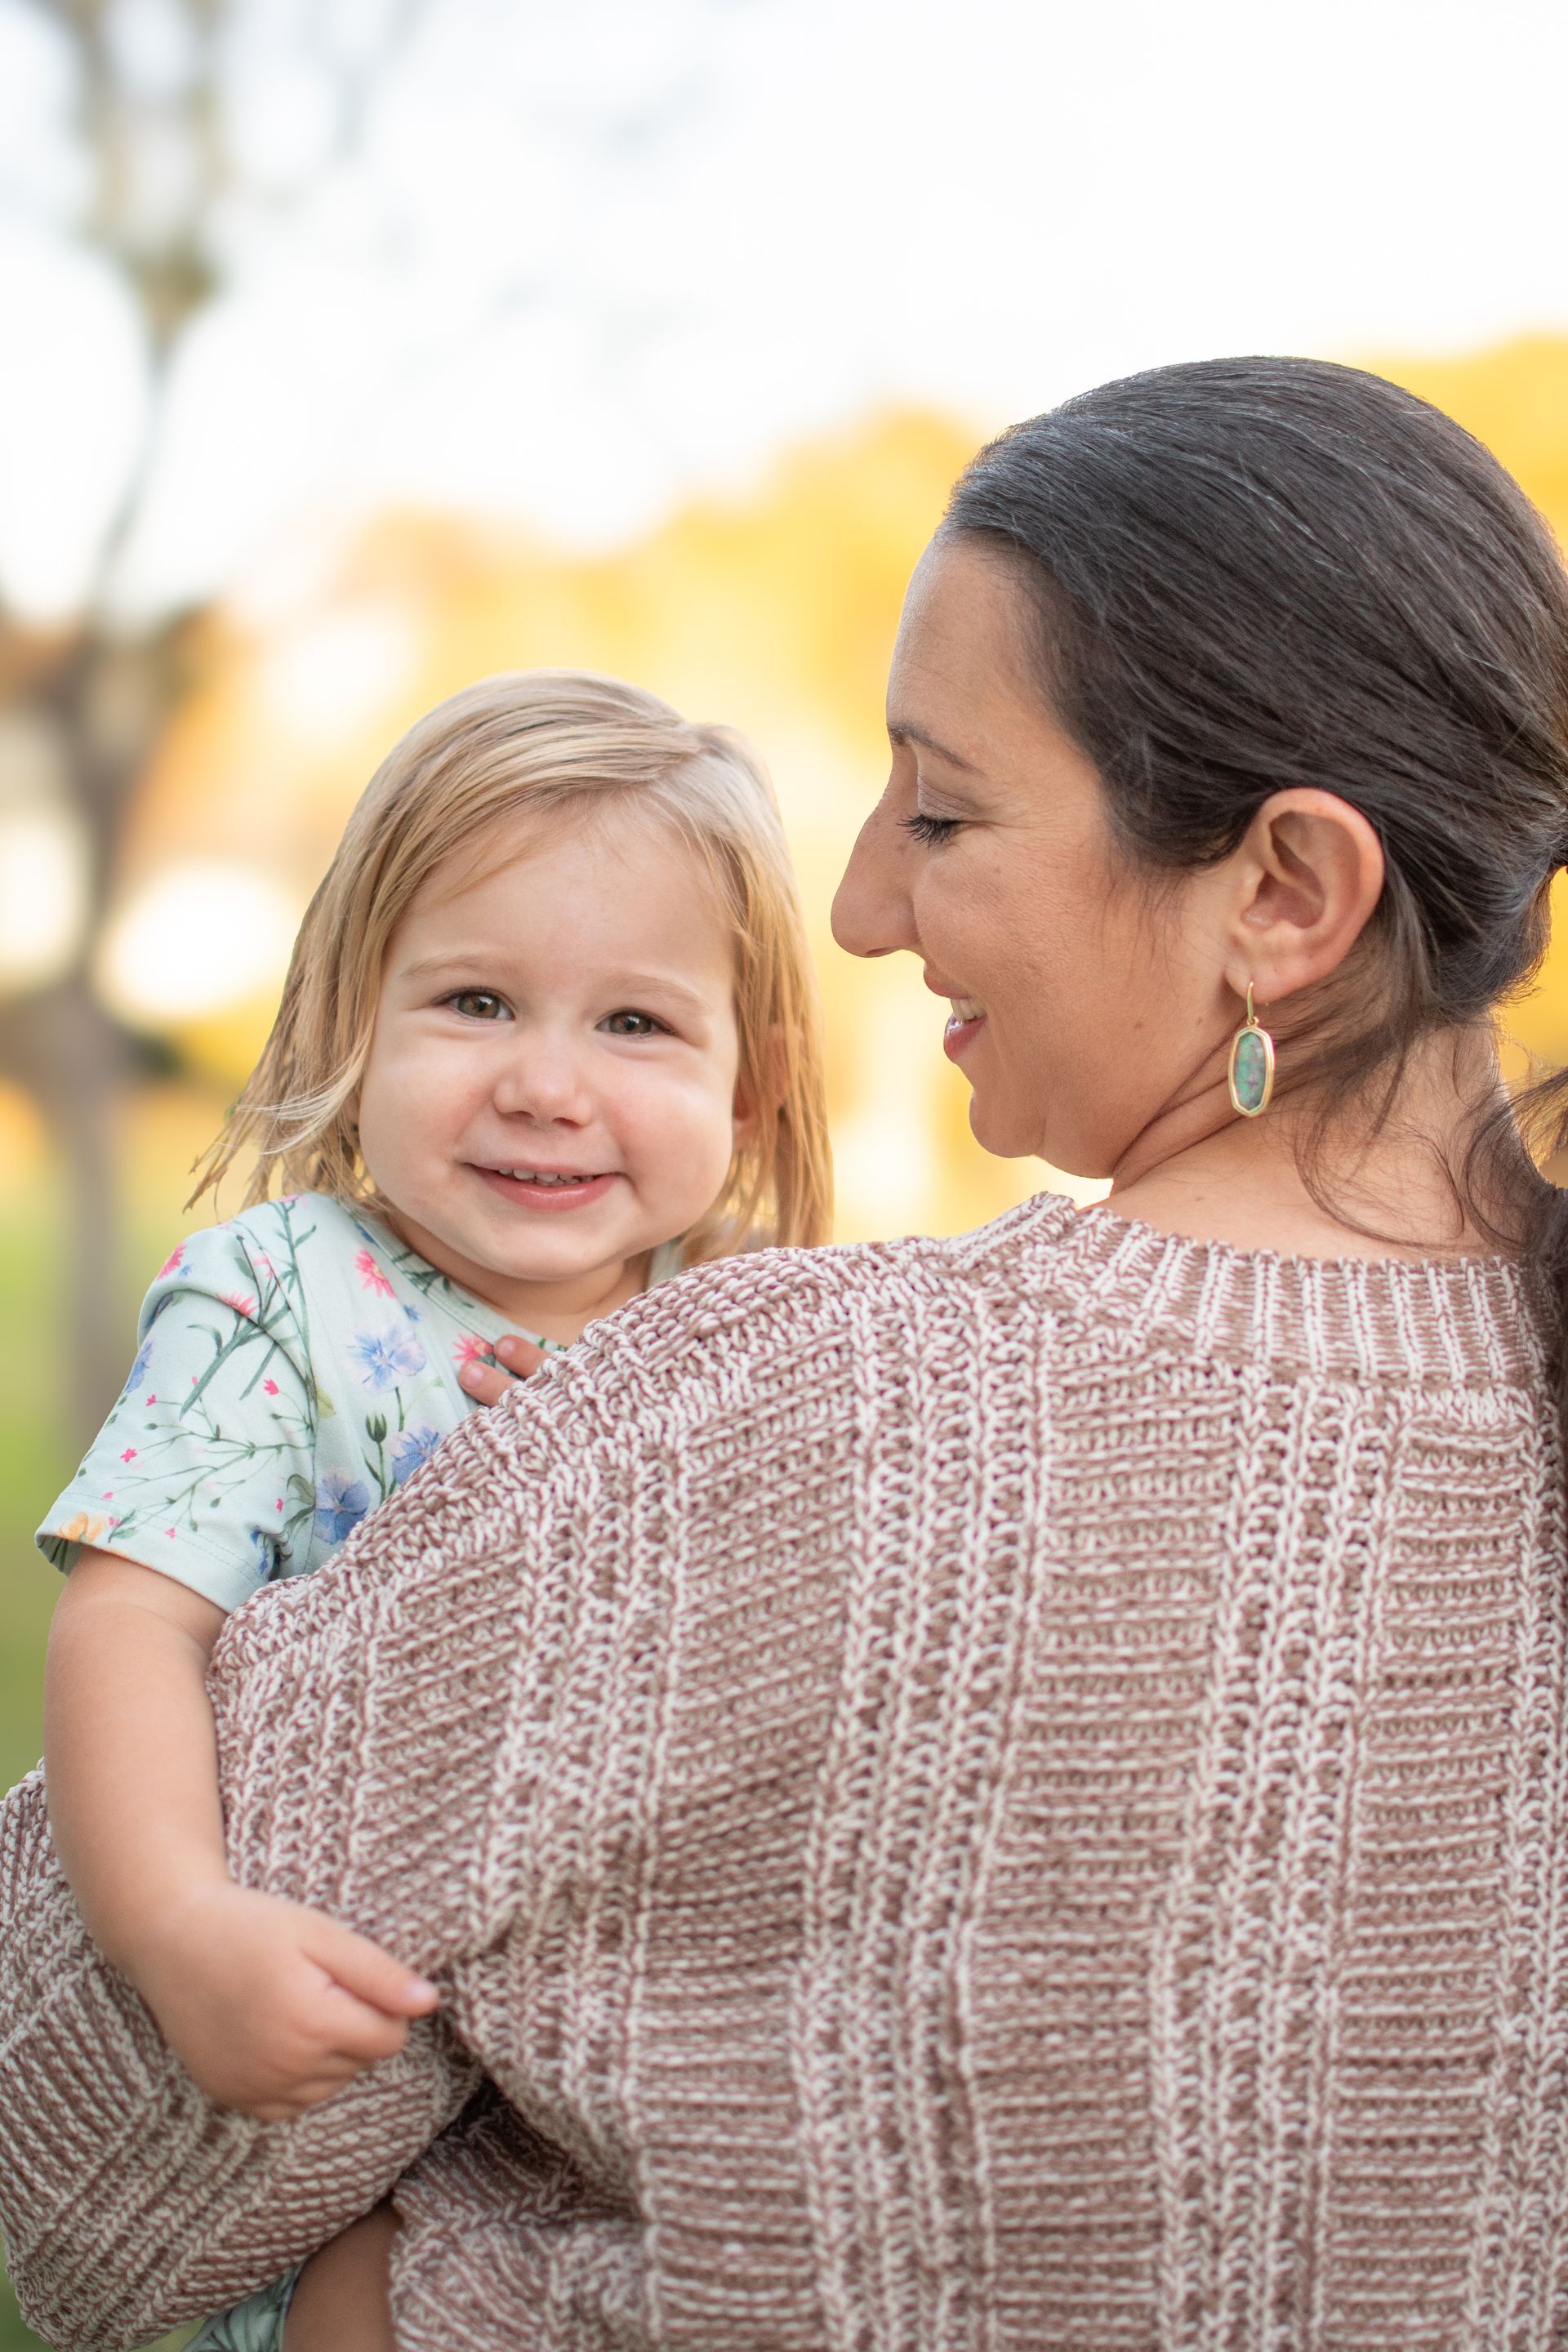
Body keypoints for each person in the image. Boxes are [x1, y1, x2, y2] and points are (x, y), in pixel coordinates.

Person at [6, 353, 1568, 2350]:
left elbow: (82, 2156)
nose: (855, 905)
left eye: (943, 805)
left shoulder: (815, 1421)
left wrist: (410, 2282)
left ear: (1284, 894)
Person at [24, 667, 831, 2351]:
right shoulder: (287, 1294)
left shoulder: (742, 1344)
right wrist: (180, 1925)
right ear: (350, 1025)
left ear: (747, 1088)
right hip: (352, 2046)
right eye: (476, 1001)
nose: (548, 1083)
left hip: (627, 2074)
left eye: (635, 1023)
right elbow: (128, 1620)